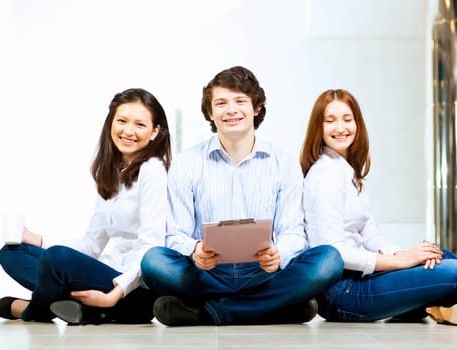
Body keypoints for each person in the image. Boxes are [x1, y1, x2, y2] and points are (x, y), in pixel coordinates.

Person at [140, 66, 343, 326]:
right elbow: (175, 235)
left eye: (240, 101)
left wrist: (279, 253)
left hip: (263, 273)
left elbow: (293, 232)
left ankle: (215, 312)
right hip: (207, 274)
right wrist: (195, 250)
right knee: (153, 261)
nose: (231, 110)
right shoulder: (187, 162)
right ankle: (271, 307)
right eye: (221, 103)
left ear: (256, 108)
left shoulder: (284, 163)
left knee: (329, 260)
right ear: (210, 113)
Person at [300, 88, 457, 326]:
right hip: (340, 294)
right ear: (319, 127)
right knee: (454, 271)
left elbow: (369, 230)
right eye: (330, 120)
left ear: (357, 123)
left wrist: (402, 254)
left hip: (360, 277)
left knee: (441, 257)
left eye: (347, 119)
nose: (340, 128)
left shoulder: (347, 171)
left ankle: (431, 307)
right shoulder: (326, 175)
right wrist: (402, 262)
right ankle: (438, 306)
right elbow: (336, 253)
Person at [0, 88, 171, 324]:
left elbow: (152, 249)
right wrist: (36, 239)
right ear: (111, 124)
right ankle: (78, 308)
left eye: (140, 124)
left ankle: (32, 311)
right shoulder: (111, 172)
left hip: (133, 288)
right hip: (109, 272)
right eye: (122, 121)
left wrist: (113, 295)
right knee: (11, 254)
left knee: (57, 259)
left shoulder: (154, 170)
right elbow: (91, 245)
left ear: (154, 132)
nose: (128, 131)